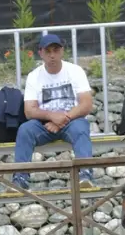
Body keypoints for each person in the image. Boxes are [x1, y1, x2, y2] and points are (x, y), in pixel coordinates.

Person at [13, 34, 95, 190]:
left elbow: (86, 104)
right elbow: (29, 111)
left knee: (81, 127)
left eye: (56, 50)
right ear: (40, 53)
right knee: (25, 130)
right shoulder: (34, 76)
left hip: (71, 122)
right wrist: (51, 116)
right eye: (48, 51)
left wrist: (62, 119)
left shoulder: (75, 71)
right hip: (44, 125)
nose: (52, 55)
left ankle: (85, 175)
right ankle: (20, 178)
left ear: (62, 51)